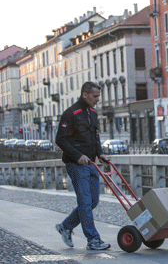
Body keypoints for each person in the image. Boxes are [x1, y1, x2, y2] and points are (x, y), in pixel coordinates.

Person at [55, 81, 110, 250]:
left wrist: (100, 152)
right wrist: (77, 156)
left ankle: (65, 226)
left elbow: (95, 136)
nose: (97, 100)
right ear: (85, 94)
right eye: (95, 96)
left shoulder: (93, 113)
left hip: (91, 163)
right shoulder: (70, 114)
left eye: (98, 96)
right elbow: (60, 139)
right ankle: (93, 240)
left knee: (92, 201)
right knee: (85, 202)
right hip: (76, 164)